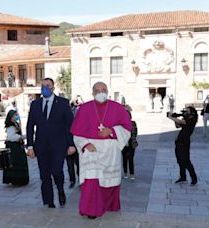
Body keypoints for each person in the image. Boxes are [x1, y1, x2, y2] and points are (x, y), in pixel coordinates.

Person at [71, 82, 132, 219]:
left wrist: (111, 131)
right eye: (97, 90)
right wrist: (85, 144)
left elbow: (127, 128)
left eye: (103, 89)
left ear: (108, 91)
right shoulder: (84, 108)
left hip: (111, 151)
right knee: (92, 182)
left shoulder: (117, 107)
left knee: (109, 183)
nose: (101, 92)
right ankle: (91, 210)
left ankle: (109, 206)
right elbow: (77, 133)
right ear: (92, 93)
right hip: (92, 151)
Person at [26, 78, 75, 208]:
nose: (45, 88)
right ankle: (49, 201)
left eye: (48, 86)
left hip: (59, 145)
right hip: (41, 146)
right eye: (42, 86)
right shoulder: (35, 104)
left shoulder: (63, 103)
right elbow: (30, 126)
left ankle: (60, 190)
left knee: (57, 171)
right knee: (44, 175)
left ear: (53, 87)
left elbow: (70, 125)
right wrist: (30, 146)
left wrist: (71, 144)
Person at [167, 107, 198, 185]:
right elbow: (178, 126)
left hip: (184, 143)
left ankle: (194, 178)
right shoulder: (186, 118)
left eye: (187, 111)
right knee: (180, 161)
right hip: (179, 142)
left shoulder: (192, 119)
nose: (185, 112)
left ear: (191, 112)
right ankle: (183, 177)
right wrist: (175, 118)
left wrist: (171, 117)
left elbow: (183, 122)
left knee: (186, 161)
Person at [3, 110, 29, 186]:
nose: (17, 116)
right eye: (15, 115)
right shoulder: (10, 126)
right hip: (13, 146)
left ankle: (21, 179)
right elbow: (11, 137)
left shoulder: (15, 124)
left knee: (20, 161)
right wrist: (21, 137)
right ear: (11, 117)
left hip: (18, 145)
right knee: (15, 162)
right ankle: (16, 179)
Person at [122, 110, 138, 180]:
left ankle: (132, 174)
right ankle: (125, 173)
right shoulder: (121, 124)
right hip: (123, 144)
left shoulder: (133, 123)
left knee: (131, 158)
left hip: (132, 143)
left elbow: (135, 132)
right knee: (124, 159)